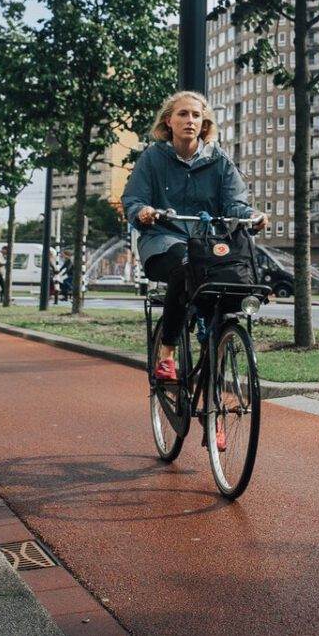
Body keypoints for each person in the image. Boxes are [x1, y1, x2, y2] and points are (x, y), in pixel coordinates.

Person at [122, 90, 269, 450]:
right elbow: (133, 199)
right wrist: (142, 211)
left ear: (205, 124)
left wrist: (250, 218)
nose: (191, 120)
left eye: (197, 115)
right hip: (163, 242)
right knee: (184, 265)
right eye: (183, 114)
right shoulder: (153, 159)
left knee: (222, 307)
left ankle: (214, 408)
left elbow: (236, 204)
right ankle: (168, 353)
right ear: (168, 121)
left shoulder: (219, 161)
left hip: (206, 247)